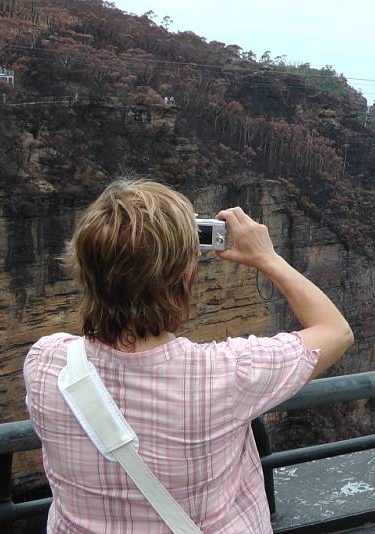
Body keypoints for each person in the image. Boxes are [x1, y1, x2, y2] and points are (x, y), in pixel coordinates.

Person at [23, 180, 354, 533]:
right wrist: (267, 258)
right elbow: (335, 330)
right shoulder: (227, 374)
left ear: (83, 269)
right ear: (187, 277)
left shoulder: (45, 363)